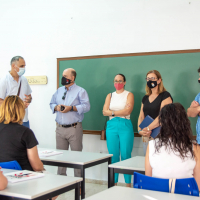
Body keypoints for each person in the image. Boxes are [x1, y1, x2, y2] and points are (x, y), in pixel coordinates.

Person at [145, 103, 200, 189]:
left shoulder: (152, 145)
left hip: (157, 196)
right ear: (184, 122)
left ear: (162, 123)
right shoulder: (195, 148)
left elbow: (148, 181)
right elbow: (198, 186)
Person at [50, 68, 90, 177]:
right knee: (61, 159)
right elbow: (51, 103)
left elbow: (86, 107)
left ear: (72, 78)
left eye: (65, 76)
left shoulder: (80, 91)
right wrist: (56, 107)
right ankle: (61, 183)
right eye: (62, 75)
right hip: (59, 129)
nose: (63, 78)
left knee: (76, 158)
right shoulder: (59, 90)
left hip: (74, 128)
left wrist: (71, 108)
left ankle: (79, 185)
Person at [103, 74, 134, 187]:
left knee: (126, 154)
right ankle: (113, 183)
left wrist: (111, 112)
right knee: (113, 155)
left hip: (125, 124)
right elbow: (104, 111)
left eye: (120, 81)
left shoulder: (129, 95)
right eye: (116, 81)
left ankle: (128, 184)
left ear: (124, 82)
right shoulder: (110, 95)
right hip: (111, 126)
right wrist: (118, 111)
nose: (118, 83)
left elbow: (127, 111)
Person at [0, 95, 44, 172]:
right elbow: (37, 167)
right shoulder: (25, 132)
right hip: (25, 177)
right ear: (21, 111)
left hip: (3, 176)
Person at [137, 70, 172, 156]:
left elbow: (163, 116)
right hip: (146, 134)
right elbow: (141, 116)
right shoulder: (145, 97)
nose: (150, 81)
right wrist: (140, 130)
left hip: (161, 134)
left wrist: (148, 128)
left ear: (159, 80)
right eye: (148, 79)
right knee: (147, 160)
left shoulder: (165, 95)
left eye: (153, 78)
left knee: (160, 161)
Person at [0, 56, 32, 128]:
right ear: (13, 66)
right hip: (10, 120)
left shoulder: (24, 80)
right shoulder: (4, 80)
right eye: (21, 66)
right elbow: (0, 101)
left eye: (24, 66)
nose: (24, 68)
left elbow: (29, 96)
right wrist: (19, 105)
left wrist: (29, 99)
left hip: (24, 119)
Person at [187, 67, 200, 144]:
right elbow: (189, 113)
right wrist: (198, 109)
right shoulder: (199, 95)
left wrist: (196, 109)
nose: (199, 79)